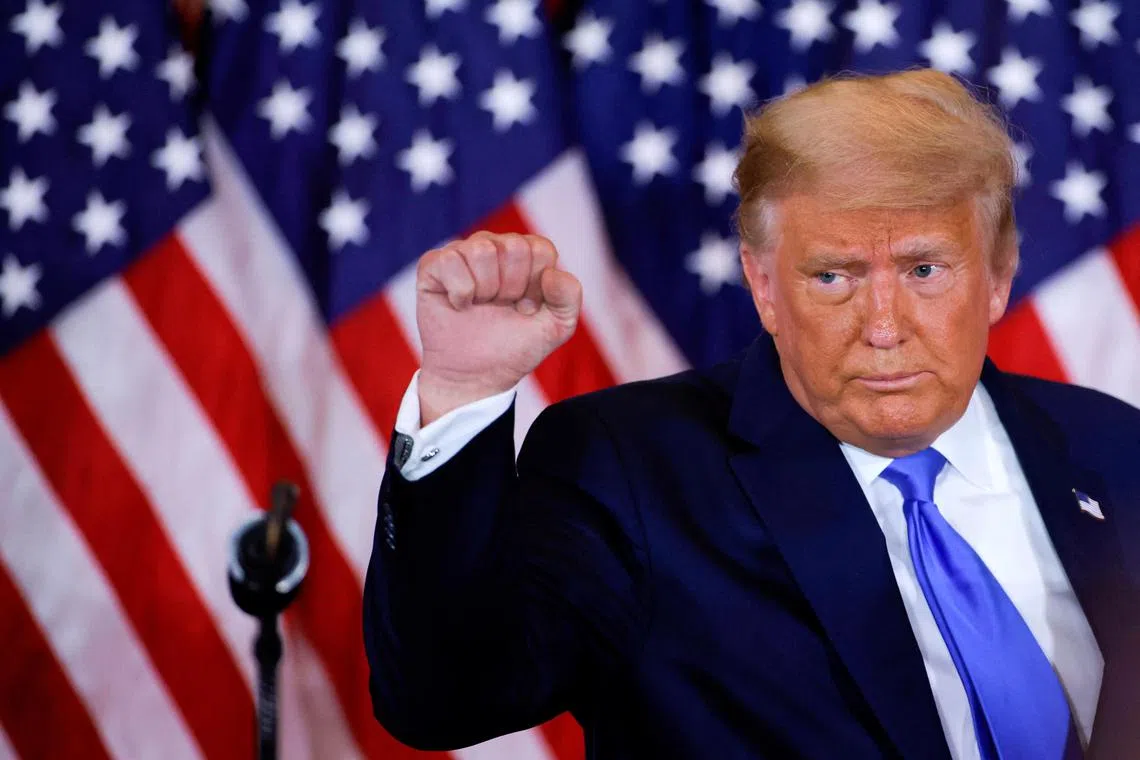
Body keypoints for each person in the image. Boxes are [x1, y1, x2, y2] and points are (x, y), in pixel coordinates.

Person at [362, 69, 1140, 759]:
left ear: (998, 276)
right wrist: (462, 393)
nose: (883, 323)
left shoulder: (1113, 447)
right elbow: (442, 700)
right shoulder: (631, 469)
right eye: (832, 276)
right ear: (763, 285)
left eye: (925, 270)